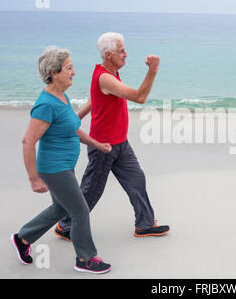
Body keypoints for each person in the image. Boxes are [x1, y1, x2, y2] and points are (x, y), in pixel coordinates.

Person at [54, 32, 170, 241]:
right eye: (121, 51)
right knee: (91, 191)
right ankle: (65, 226)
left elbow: (94, 99)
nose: (126, 54)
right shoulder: (105, 77)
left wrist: (74, 119)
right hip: (103, 146)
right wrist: (153, 70)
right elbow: (140, 97)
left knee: (137, 180)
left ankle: (144, 225)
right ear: (108, 55)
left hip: (120, 142)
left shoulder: (109, 73)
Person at [11, 46, 112, 274]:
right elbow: (28, 141)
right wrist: (34, 178)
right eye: (69, 68)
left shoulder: (61, 97)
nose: (74, 72)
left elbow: (71, 127)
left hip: (64, 166)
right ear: (54, 72)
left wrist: (96, 144)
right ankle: (85, 259)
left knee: (60, 209)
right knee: (80, 211)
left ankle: (22, 238)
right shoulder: (46, 104)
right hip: (54, 169)